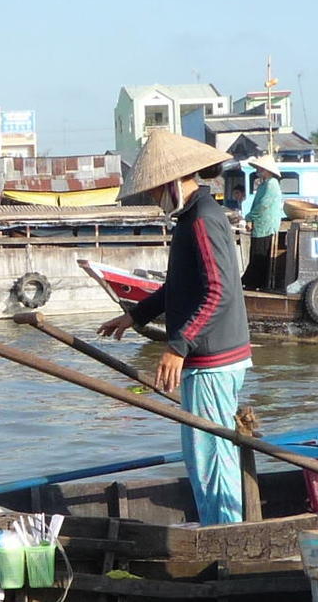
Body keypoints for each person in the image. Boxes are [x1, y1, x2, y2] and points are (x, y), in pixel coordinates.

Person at [99, 129, 252, 525]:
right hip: (209, 358)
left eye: (154, 192)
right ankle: (220, 530)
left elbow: (217, 289)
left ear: (171, 183)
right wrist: (136, 315)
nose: (153, 200)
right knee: (204, 454)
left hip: (213, 360)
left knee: (210, 458)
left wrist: (178, 346)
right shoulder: (191, 217)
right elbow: (181, 286)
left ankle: (226, 538)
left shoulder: (202, 218)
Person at [240, 157, 284, 290]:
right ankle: (252, 282)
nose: (258, 170)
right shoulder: (264, 184)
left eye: (260, 168)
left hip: (266, 225)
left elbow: (263, 204)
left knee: (260, 255)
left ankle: (254, 283)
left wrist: (249, 216)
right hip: (260, 224)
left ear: (267, 170)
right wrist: (250, 219)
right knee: (256, 254)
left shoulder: (272, 184)